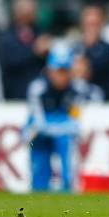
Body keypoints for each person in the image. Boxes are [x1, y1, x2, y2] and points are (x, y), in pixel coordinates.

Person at [24, 45, 89, 191]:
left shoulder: (78, 89)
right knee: (38, 155)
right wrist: (59, 125)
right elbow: (37, 123)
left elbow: (75, 123)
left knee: (67, 144)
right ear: (50, 70)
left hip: (61, 132)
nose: (62, 75)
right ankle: (38, 191)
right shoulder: (37, 89)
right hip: (39, 134)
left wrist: (57, 126)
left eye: (65, 70)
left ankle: (68, 189)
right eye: (58, 71)